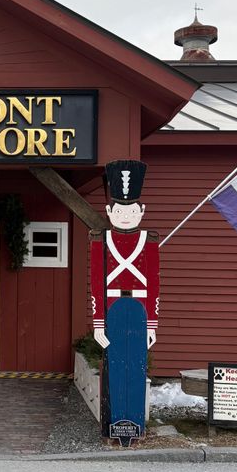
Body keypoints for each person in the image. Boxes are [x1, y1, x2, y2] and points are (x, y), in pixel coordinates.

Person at [89, 159, 159, 445]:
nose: (126, 216)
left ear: (141, 211)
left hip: (139, 311)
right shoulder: (100, 240)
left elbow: (153, 283)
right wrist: (97, 323)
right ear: (109, 211)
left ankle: (135, 424)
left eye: (131, 210)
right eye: (120, 210)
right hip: (113, 310)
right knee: (115, 368)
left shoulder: (150, 240)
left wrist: (152, 324)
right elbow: (96, 283)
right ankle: (115, 424)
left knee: (137, 366)